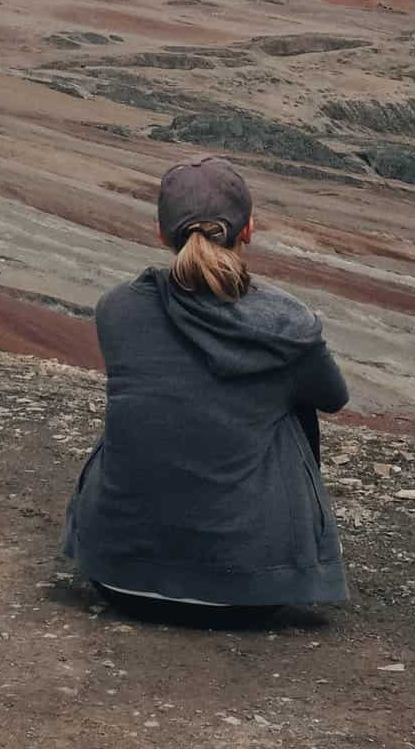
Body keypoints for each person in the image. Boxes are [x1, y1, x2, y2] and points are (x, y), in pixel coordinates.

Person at [63, 156, 350, 623]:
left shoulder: (118, 308)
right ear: (249, 229)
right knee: (293, 403)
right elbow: (333, 398)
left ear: (161, 235)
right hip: (251, 591)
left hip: (118, 577)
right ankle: (267, 548)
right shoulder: (288, 323)